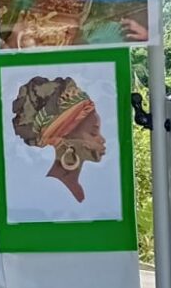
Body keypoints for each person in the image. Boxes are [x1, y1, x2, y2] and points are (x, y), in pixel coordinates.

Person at [10, 75, 106, 203]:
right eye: (93, 133)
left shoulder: (87, 188)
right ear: (65, 142)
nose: (102, 140)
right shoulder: (50, 191)